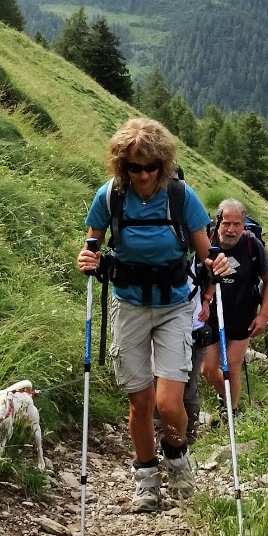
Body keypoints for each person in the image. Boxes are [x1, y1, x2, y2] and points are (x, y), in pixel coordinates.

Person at [77, 118, 228, 512]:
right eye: (133, 167)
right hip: (128, 306)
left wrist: (218, 264)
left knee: (168, 402)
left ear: (162, 164)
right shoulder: (110, 197)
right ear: (121, 166)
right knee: (140, 402)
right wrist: (87, 258)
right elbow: (92, 245)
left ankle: (177, 459)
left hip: (175, 307)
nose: (142, 175)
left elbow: (205, 253)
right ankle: (146, 479)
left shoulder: (180, 197)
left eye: (150, 167)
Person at [199, 199, 268, 412]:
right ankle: (228, 399)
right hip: (210, 318)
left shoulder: (252, 245)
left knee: (231, 368)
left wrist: (263, 314)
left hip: (243, 318)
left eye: (237, 224)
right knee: (208, 370)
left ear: (243, 225)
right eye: (226, 224)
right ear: (217, 222)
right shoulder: (205, 242)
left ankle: (230, 411)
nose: (231, 230)